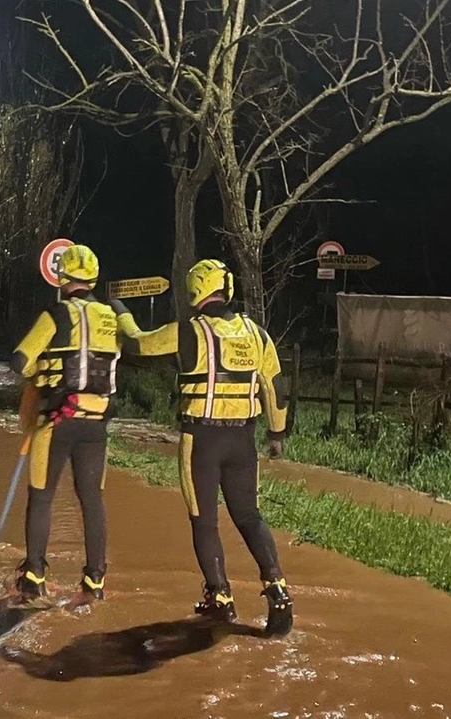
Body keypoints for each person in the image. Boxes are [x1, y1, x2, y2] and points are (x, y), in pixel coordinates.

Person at [112, 258, 292, 632]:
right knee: (250, 517)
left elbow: (139, 344)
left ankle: (220, 597)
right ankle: (277, 588)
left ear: (195, 290)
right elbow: (275, 386)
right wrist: (276, 434)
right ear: (227, 289)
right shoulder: (257, 334)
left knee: (204, 521)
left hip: (202, 441)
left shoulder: (187, 332)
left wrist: (122, 313)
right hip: (244, 441)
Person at [8, 244, 121, 604]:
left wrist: (40, 374)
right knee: (92, 499)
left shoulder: (54, 315)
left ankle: (34, 576)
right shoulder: (112, 316)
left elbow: (20, 360)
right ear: (92, 278)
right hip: (95, 426)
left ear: (62, 278)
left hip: (56, 422)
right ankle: (95, 581)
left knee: (41, 498)